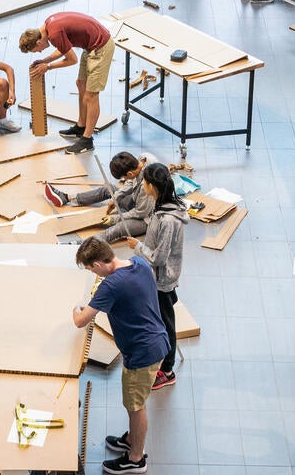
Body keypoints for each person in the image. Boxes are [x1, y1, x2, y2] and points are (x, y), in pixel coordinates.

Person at [72, 237, 169, 475]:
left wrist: (75, 308)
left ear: (97, 264)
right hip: (156, 340)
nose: (93, 273)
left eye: (90, 269)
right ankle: (131, 439)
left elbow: (81, 321)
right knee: (134, 402)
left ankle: (136, 458)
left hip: (142, 353)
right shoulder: (139, 263)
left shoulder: (111, 285)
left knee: (136, 406)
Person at [124, 162, 186, 391]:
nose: (142, 184)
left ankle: (167, 371)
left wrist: (139, 247)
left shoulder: (168, 220)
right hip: (158, 277)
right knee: (162, 319)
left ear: (151, 185)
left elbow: (159, 257)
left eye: (144, 181)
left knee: (166, 325)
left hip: (162, 280)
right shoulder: (162, 208)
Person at [19, 12, 114, 155]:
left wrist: (48, 67)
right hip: (90, 46)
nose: (40, 52)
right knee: (81, 84)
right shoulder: (48, 25)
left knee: (91, 96)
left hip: (101, 47)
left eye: (37, 51)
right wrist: (45, 61)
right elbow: (63, 47)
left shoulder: (54, 34)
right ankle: (81, 127)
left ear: (38, 42)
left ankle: (87, 140)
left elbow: (72, 60)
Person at [44, 151, 156, 242]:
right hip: (139, 202)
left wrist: (115, 218)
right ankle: (66, 197)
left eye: (124, 177)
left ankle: (86, 243)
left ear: (130, 174)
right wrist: (115, 198)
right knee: (108, 189)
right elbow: (131, 182)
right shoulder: (143, 158)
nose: (125, 180)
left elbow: (140, 213)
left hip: (147, 218)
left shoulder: (146, 186)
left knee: (120, 227)